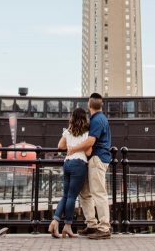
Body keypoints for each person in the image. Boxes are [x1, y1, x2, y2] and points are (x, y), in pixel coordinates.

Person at [48, 107, 93, 238]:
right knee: (72, 196)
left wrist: (71, 145)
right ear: (84, 118)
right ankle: (67, 226)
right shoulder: (86, 133)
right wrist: (81, 147)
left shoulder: (69, 131)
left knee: (66, 195)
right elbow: (89, 152)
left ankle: (55, 221)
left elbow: (60, 146)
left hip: (67, 163)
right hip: (79, 164)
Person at [78, 92, 112, 239]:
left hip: (97, 159)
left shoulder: (97, 120)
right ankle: (92, 225)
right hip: (94, 159)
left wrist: (73, 148)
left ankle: (104, 228)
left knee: (98, 193)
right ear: (101, 104)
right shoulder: (99, 118)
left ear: (89, 104)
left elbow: (91, 141)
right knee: (85, 192)